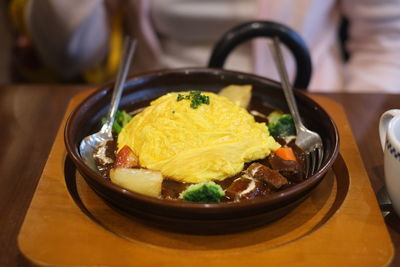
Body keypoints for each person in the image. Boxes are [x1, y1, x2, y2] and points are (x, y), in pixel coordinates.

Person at [10, 0, 400, 92]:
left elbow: (388, 43)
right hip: (146, 104)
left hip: (305, 102)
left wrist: (345, 142)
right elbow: (67, 57)